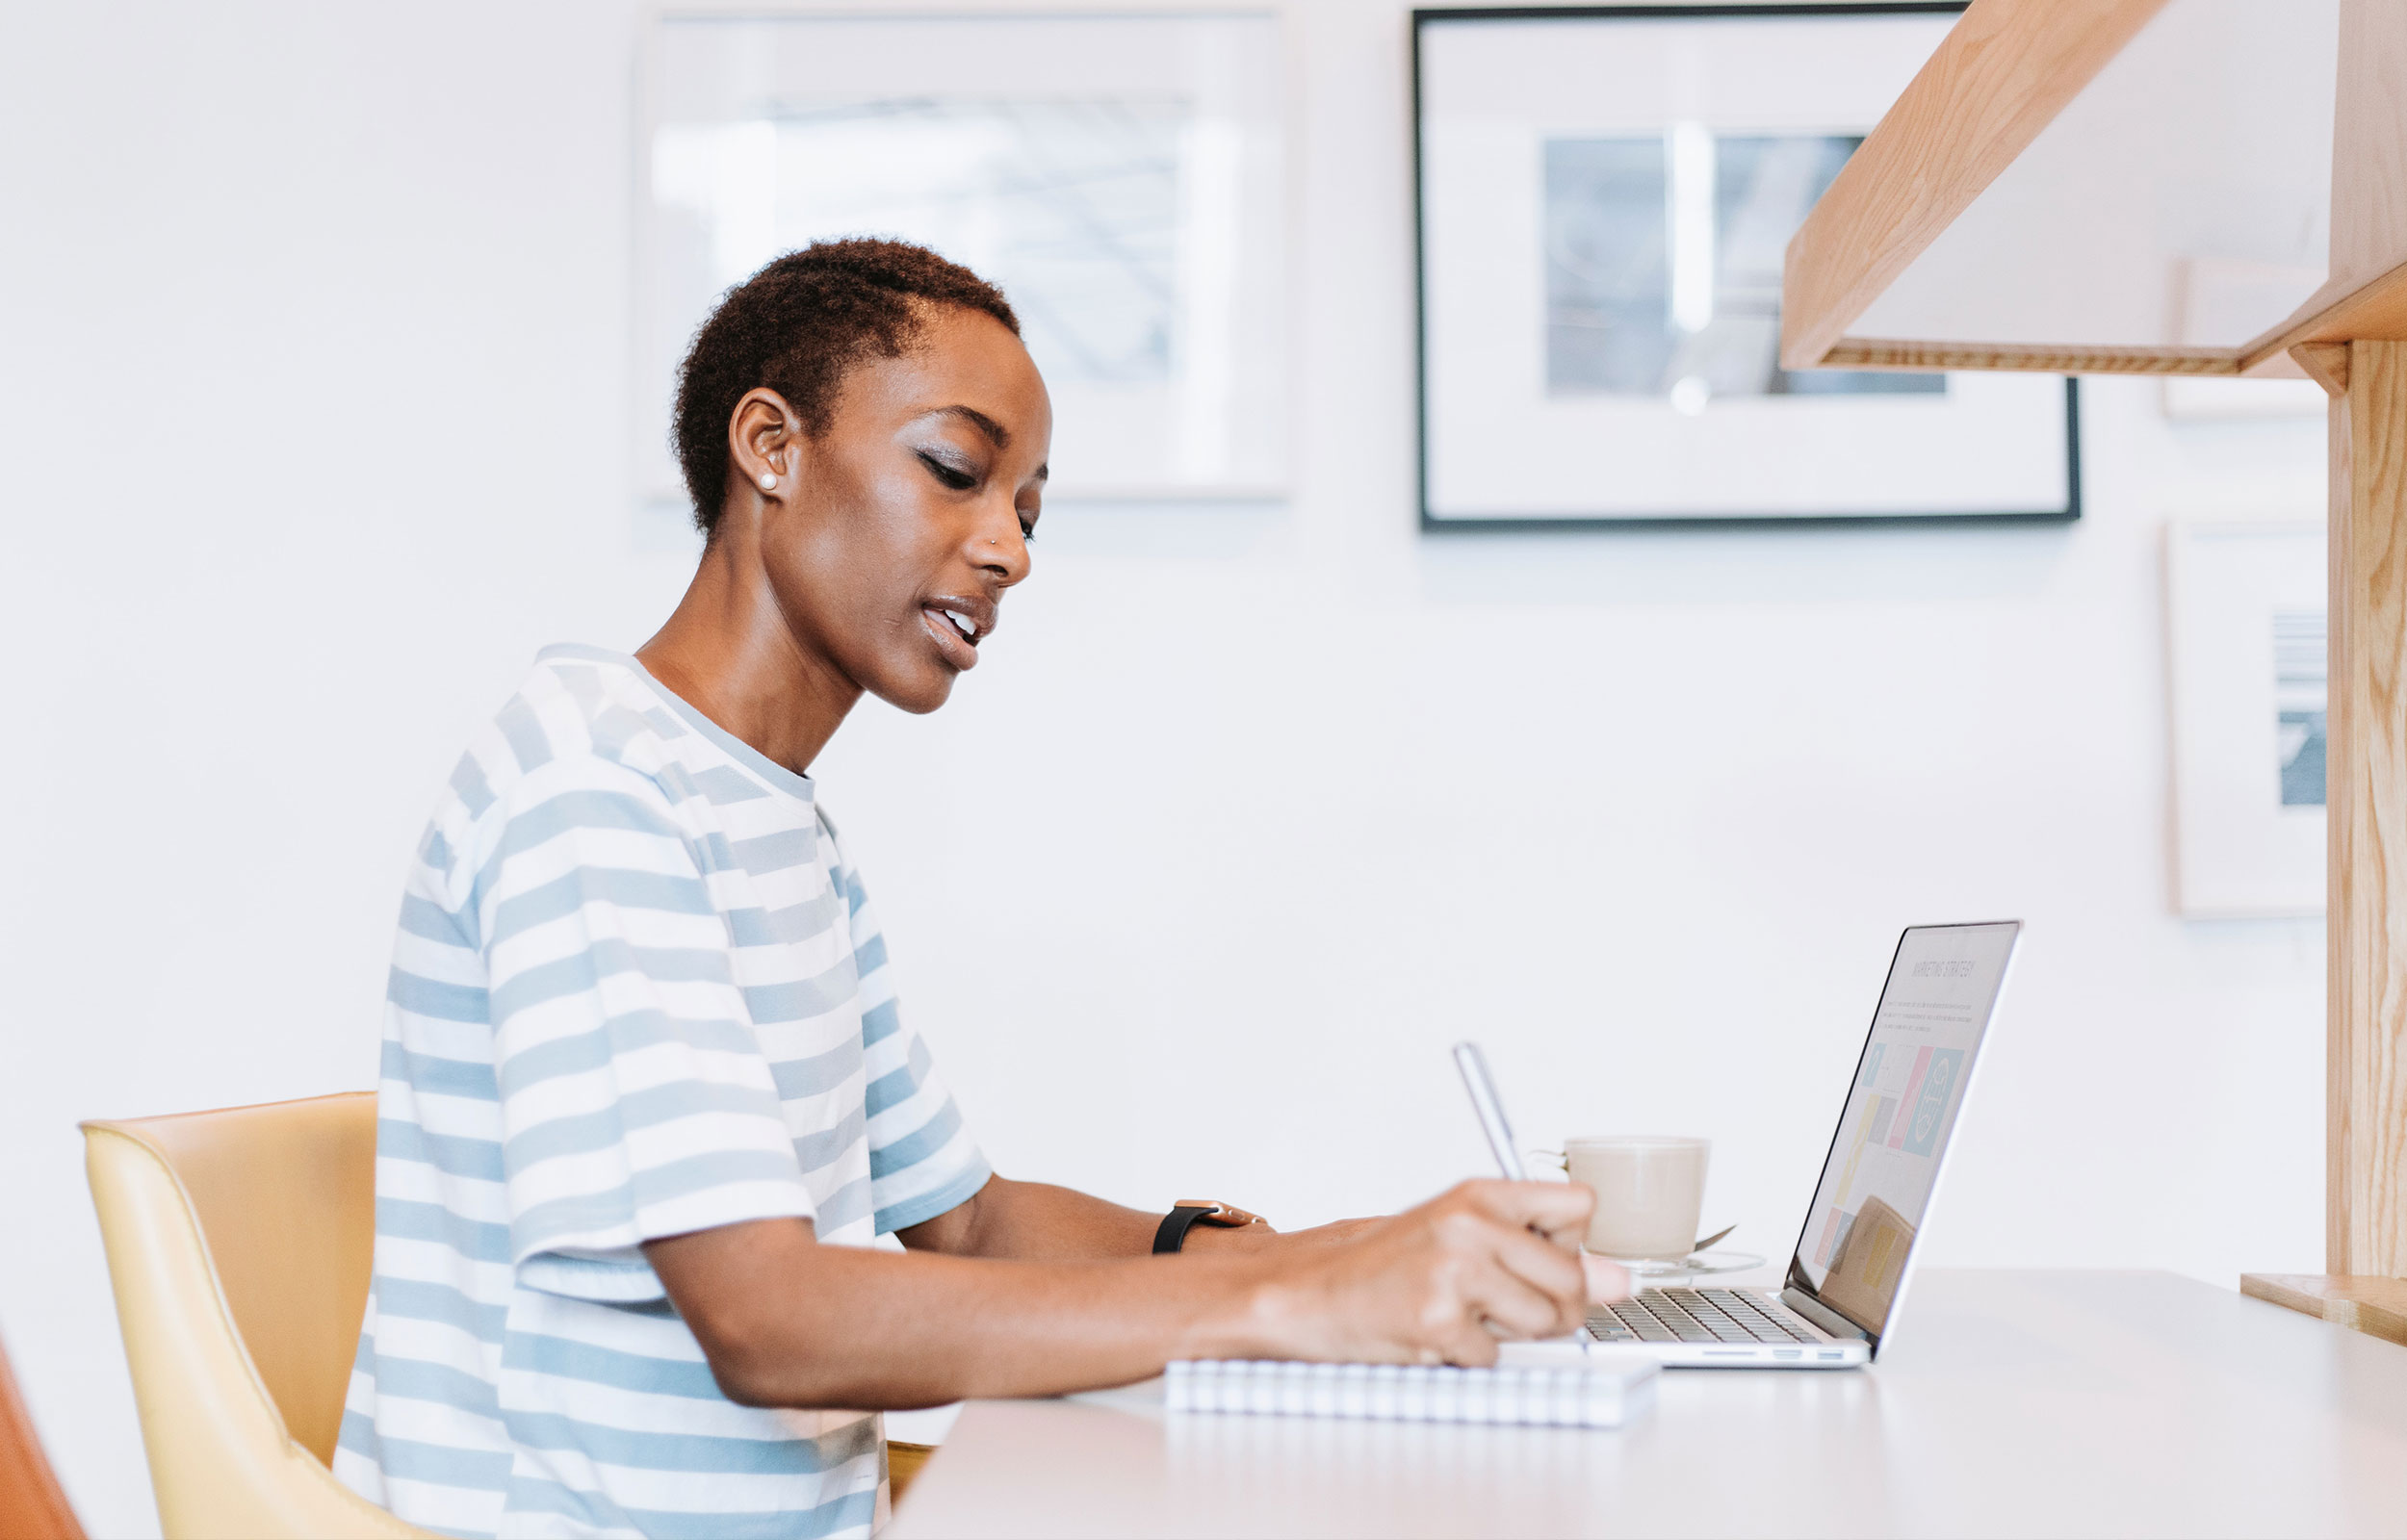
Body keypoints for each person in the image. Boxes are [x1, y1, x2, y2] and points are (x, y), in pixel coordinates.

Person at [333, 238, 1626, 1540]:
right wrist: (1292, 1309)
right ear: (771, 450)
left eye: (1027, 508)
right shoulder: (596, 786)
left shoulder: (770, 815)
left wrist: (1352, 1253)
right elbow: (770, 1322)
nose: (1007, 549)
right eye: (956, 472)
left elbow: (971, 1221)